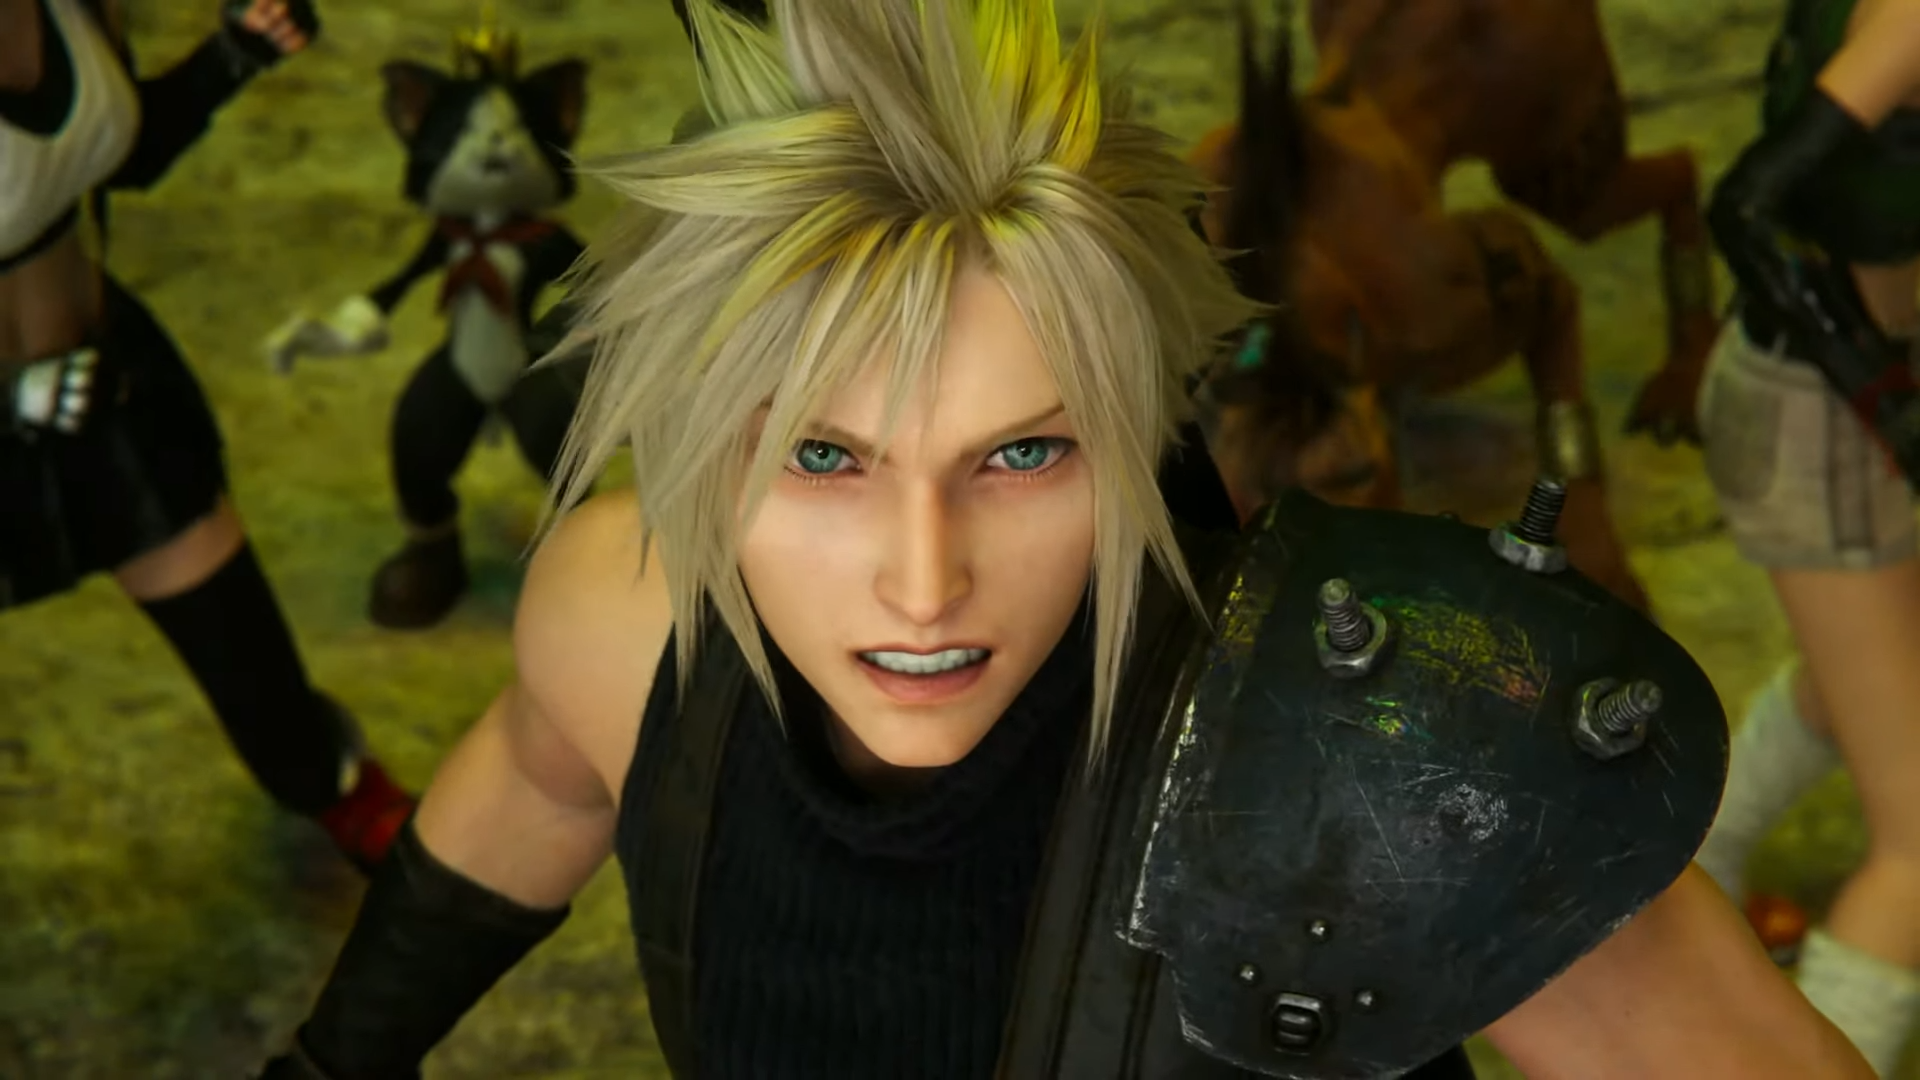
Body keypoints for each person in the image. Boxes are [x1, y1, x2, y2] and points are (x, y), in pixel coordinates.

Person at [259, 0, 1872, 1076]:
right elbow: (539, 780)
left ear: (1134, 435)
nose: (924, 584)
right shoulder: (624, 622)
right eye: (825, 457)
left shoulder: (1377, 759)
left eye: (1023, 453)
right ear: (702, 446)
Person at [0, 0, 414, 871]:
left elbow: (120, 150)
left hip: (101, 388)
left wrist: (236, 54)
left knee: (243, 649)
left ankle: (333, 788)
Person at [1691, 0, 1920, 1071]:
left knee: (1859, 683)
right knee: (1919, 852)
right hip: (1819, 418)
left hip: (1852, 400)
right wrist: (1881, 397)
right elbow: (1749, 207)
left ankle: (1691, 866)